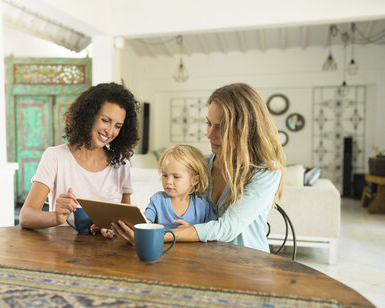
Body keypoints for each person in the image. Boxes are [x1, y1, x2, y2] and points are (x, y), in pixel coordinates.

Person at [113, 83, 284, 252]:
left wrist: (155, 237)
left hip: (249, 264)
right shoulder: (200, 165)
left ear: (245, 129)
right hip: (206, 259)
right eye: (209, 123)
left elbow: (227, 228)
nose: (209, 134)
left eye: (221, 127)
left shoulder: (265, 172)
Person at [19, 82, 140, 236]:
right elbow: (25, 217)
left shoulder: (121, 165)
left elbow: (126, 224)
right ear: (89, 116)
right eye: (105, 120)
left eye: (117, 125)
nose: (110, 131)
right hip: (62, 255)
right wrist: (55, 217)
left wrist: (114, 229)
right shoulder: (55, 157)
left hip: (108, 256)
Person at [144, 144, 217, 225]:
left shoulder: (203, 206)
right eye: (165, 175)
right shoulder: (157, 200)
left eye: (176, 177)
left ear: (194, 180)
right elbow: (145, 222)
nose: (168, 181)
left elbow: (212, 233)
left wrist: (191, 231)